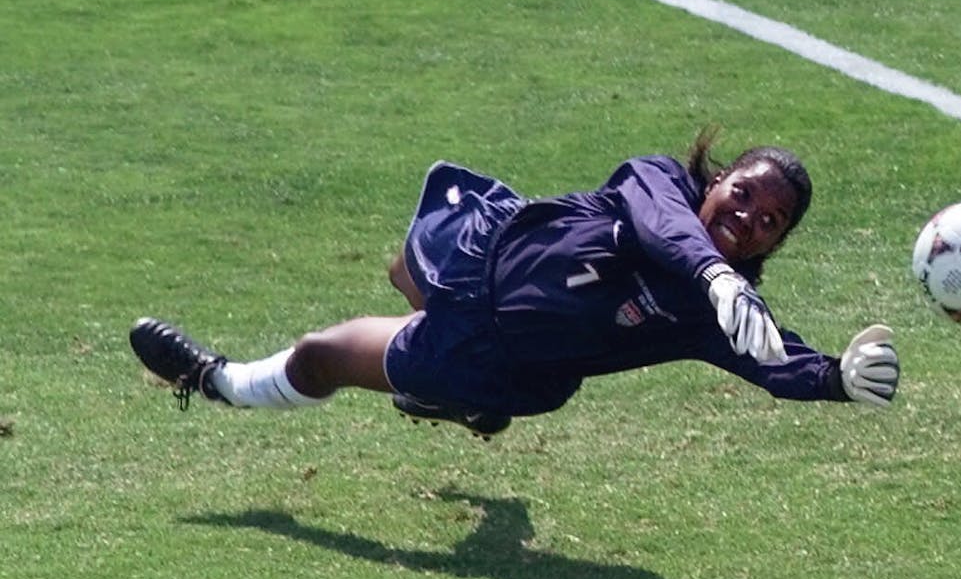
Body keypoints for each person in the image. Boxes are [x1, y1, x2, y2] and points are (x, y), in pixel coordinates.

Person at [130, 128, 899, 439]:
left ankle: (216, 379)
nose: (748, 219)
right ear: (719, 176)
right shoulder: (656, 182)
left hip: (494, 352)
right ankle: (457, 399)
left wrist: (838, 378)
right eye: (744, 196)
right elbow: (664, 224)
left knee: (321, 353)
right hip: (483, 248)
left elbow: (774, 363)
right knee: (403, 266)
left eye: (771, 222)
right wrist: (714, 273)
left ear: (780, 241)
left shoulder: (713, 315)